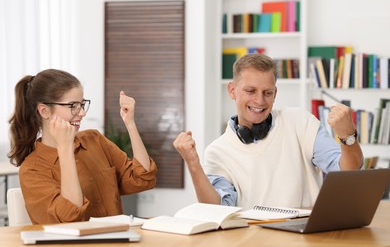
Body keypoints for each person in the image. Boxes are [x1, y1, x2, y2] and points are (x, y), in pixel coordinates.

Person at [173, 53, 363, 210]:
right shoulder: (218, 151)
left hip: (305, 237)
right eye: (250, 91)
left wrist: (348, 136)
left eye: (267, 92)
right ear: (232, 90)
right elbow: (217, 208)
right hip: (253, 238)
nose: (260, 101)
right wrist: (193, 164)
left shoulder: (300, 121)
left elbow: (348, 171)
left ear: (275, 93)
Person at [8, 69, 157, 224]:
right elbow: (70, 218)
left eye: (82, 104)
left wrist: (130, 123)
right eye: (73, 106)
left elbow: (142, 178)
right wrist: (65, 149)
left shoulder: (94, 140)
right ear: (44, 111)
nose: (82, 113)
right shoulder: (32, 170)